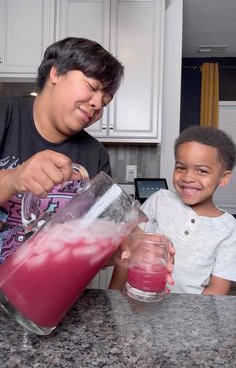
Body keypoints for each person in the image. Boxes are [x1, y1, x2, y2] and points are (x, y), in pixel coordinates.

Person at [0, 36, 124, 261]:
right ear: (55, 73)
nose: (97, 104)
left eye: (105, 101)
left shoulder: (96, 156)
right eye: (92, 87)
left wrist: (127, 245)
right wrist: (11, 179)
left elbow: (98, 244)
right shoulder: (3, 115)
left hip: (51, 290)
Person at [109, 125, 236, 295]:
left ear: (224, 177)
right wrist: (112, 298)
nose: (188, 177)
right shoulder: (160, 200)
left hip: (188, 315)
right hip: (136, 304)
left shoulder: (228, 227)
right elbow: (128, 252)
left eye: (202, 170)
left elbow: (217, 289)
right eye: (181, 167)